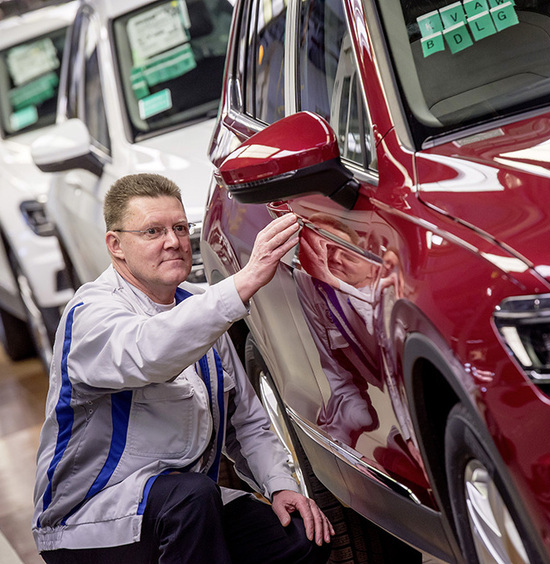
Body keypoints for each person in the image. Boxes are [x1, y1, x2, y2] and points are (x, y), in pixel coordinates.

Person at [32, 173, 333, 563]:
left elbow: (247, 423)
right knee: (191, 498)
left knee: (298, 539)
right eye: (153, 231)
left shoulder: (196, 307)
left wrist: (279, 486)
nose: (173, 242)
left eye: (179, 227)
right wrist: (244, 280)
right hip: (87, 521)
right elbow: (150, 352)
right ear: (116, 245)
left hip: (183, 507)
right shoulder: (90, 315)